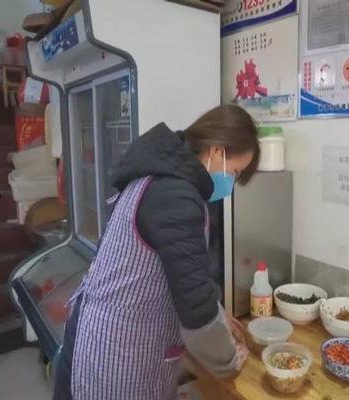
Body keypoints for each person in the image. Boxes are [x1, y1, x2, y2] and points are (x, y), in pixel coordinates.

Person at [53, 105, 260, 400]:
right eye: (235, 172)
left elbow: (184, 272)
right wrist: (230, 361)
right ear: (217, 151)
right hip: (117, 356)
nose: (230, 184)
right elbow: (198, 317)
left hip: (105, 333)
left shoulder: (159, 174)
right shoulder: (176, 196)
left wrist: (216, 309)